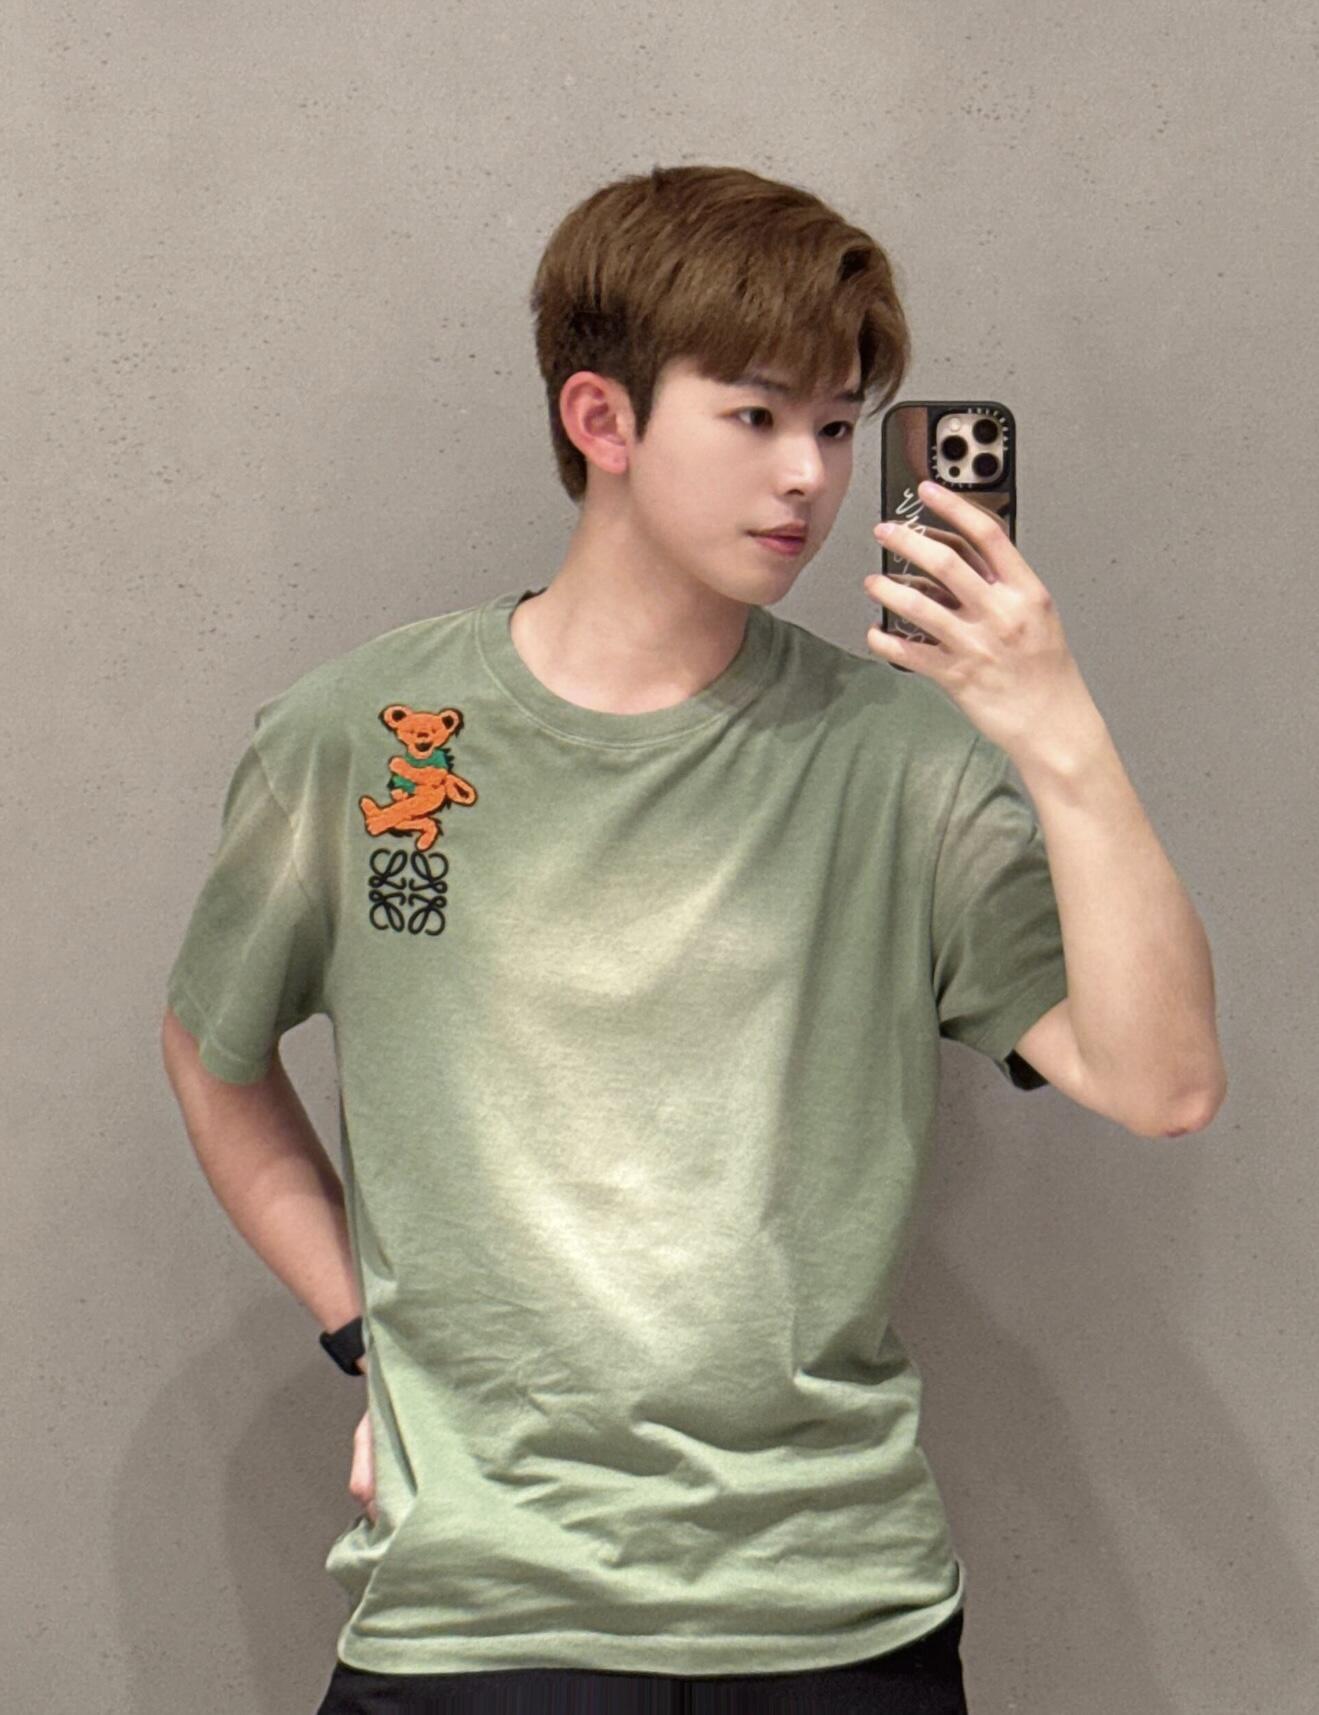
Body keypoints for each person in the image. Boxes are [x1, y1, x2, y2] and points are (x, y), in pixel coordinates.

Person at [163, 163, 1075, 1714]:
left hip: (831, 1609)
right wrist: (366, 1338)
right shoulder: (366, 735)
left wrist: (1057, 727)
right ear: (602, 419)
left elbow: (1159, 1077)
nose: (809, 475)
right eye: (756, 415)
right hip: (476, 1611)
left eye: (838, 425)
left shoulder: (902, 760)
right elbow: (210, 1044)